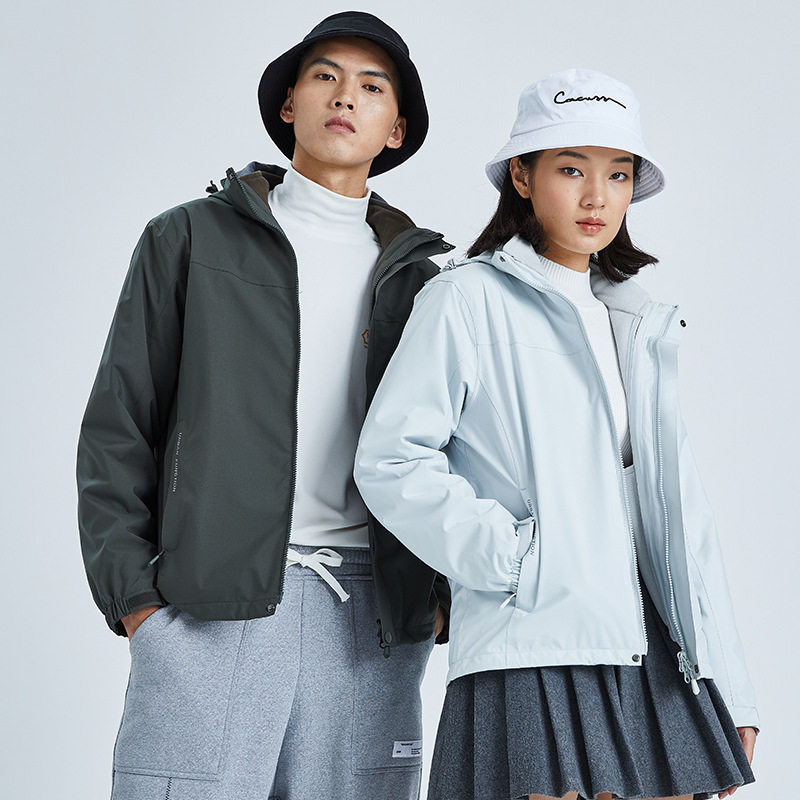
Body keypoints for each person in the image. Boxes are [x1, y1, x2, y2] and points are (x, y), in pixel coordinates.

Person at [77, 11, 451, 799]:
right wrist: (138, 603)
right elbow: (119, 426)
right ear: (288, 103)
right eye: (325, 76)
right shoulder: (188, 239)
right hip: (210, 605)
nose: (344, 96)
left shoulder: (424, 280)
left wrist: (438, 599)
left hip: (373, 618)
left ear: (396, 128)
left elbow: (461, 451)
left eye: (371, 87)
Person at [354, 69, 757, 800]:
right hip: (534, 639)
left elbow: (683, 515)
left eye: (618, 174)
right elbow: (390, 458)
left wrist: (727, 675)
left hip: (657, 644)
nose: (597, 196)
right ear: (522, 176)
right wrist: (516, 559)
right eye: (571, 170)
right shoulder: (464, 298)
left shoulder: (636, 319)